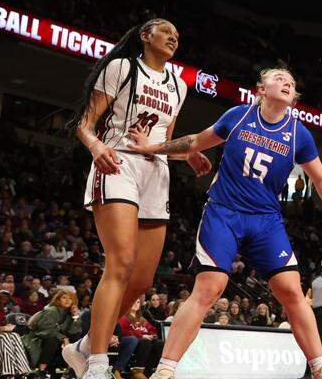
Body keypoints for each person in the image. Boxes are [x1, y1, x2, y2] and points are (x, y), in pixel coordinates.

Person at [126, 67, 322, 379]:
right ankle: (166, 369)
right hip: (224, 212)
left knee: (291, 288)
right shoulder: (237, 116)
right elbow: (195, 141)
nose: (288, 82)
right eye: (279, 79)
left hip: (266, 220)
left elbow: (320, 179)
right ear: (261, 89)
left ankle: (320, 367)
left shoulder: (298, 134)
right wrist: (149, 148)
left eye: (291, 81)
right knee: (210, 287)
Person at [64, 19, 213, 379]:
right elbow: (83, 122)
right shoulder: (122, 68)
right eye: (166, 31)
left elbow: (163, 139)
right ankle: (98, 362)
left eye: (178, 34)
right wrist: (97, 145)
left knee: (142, 280)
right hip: (118, 163)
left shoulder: (179, 85)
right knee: (121, 261)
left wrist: (185, 154)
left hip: (155, 173)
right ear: (146, 36)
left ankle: (83, 347)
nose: (174, 37)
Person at [25, 290, 83, 376]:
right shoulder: (51, 311)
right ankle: (42, 370)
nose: (67, 300)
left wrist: (75, 317)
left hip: (57, 340)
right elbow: (46, 330)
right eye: (64, 298)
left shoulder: (68, 313)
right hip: (38, 339)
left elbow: (74, 332)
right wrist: (64, 338)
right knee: (52, 340)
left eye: (70, 298)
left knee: (76, 338)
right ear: (58, 300)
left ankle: (71, 368)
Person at [0, 280, 33, 377]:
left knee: (13, 335)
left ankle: (17, 371)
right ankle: (14, 372)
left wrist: (6, 327)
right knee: (4, 337)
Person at [117, 297, 160, 377]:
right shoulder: (123, 318)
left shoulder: (142, 319)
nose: (135, 304)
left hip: (146, 341)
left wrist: (153, 336)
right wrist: (142, 336)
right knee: (145, 342)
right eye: (133, 302)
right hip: (134, 342)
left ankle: (157, 370)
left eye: (138, 302)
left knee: (159, 343)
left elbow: (152, 329)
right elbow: (124, 332)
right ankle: (137, 370)